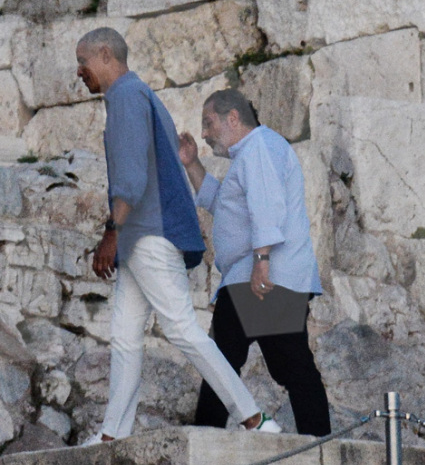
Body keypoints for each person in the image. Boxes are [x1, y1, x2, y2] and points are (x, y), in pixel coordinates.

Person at [76, 28, 281, 443]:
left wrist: (111, 233)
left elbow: (131, 178)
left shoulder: (127, 98)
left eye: (83, 62)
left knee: (182, 330)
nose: (79, 72)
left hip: (148, 234)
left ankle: (255, 419)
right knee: (125, 335)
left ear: (104, 54)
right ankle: (113, 434)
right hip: (142, 236)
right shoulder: (140, 97)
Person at [178, 89, 331, 436]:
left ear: (233, 118)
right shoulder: (252, 153)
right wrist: (192, 163)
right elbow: (225, 206)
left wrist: (262, 260)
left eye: (209, 122)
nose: (204, 133)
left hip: (263, 277)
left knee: (228, 359)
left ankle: (207, 435)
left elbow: (267, 206)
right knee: (281, 363)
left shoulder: (259, 148)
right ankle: (318, 439)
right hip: (257, 276)